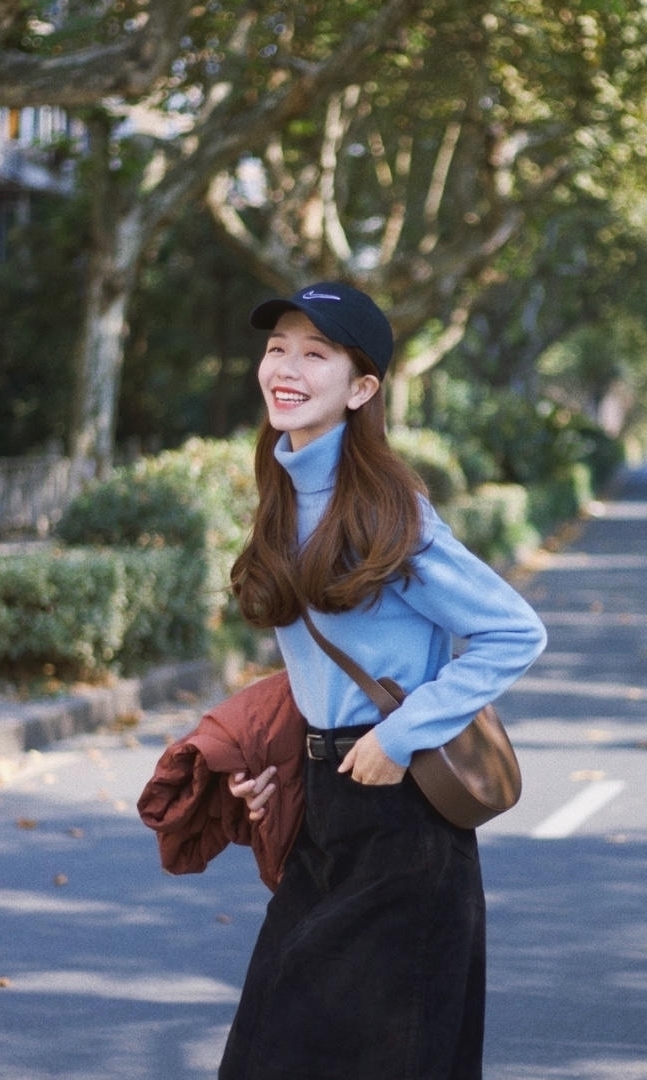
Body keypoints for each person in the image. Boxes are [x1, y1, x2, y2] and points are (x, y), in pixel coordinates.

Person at [220, 281, 547, 1080]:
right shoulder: (282, 494)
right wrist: (280, 760)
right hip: (323, 812)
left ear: (361, 389)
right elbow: (313, 665)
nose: (286, 368)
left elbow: (515, 630)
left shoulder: (389, 513)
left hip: (403, 821)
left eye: (315, 354)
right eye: (277, 349)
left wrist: (400, 735)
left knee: (392, 1060)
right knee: (269, 1052)